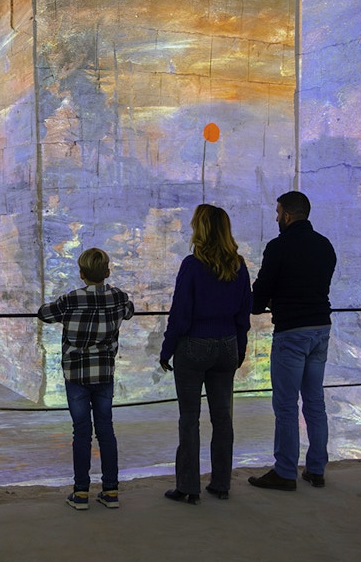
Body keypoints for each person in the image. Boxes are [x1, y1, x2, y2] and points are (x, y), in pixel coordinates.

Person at [158, 204, 252, 505]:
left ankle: (188, 487)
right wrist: (239, 348)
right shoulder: (238, 265)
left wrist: (167, 349)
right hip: (227, 345)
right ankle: (221, 483)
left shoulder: (192, 265)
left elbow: (180, 313)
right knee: (223, 417)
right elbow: (244, 313)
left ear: (201, 229)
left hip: (194, 345)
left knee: (189, 418)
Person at [247, 191, 337, 491]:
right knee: (314, 402)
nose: (276, 218)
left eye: (278, 212)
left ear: (287, 215)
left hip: (291, 332)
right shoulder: (325, 245)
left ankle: (286, 472)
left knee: (286, 405)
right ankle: (316, 469)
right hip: (320, 328)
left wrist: (263, 303)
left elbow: (261, 291)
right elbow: (317, 287)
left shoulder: (279, 247)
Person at [38, 247, 135, 510]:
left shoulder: (71, 300)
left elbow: (44, 314)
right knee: (106, 430)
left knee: (81, 432)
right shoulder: (118, 297)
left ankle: (81, 492)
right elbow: (129, 311)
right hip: (104, 372)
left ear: (81, 274)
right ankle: (111, 491)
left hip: (76, 373)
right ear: (108, 272)